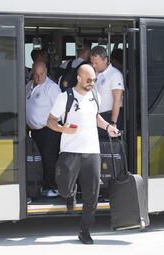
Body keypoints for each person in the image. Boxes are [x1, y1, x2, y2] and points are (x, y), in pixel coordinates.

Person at [47, 64, 119, 244]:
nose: (92, 83)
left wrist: (109, 127)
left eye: (94, 80)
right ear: (79, 78)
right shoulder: (65, 97)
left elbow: (95, 117)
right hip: (70, 151)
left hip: (92, 151)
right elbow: (50, 121)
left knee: (92, 195)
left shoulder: (95, 95)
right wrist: (63, 128)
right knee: (63, 188)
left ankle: (85, 230)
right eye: (89, 80)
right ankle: (70, 194)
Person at [26, 61, 61, 197]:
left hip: (49, 130)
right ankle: (42, 184)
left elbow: (60, 110)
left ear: (46, 72)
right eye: (36, 74)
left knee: (49, 159)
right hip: (34, 131)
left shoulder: (51, 88)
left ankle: (53, 187)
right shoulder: (29, 86)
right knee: (38, 159)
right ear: (32, 73)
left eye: (42, 74)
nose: (39, 77)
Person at [90, 46, 125, 139]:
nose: (93, 65)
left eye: (96, 63)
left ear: (105, 60)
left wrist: (113, 123)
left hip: (108, 116)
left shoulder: (115, 74)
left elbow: (117, 100)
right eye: (92, 63)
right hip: (95, 116)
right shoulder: (94, 74)